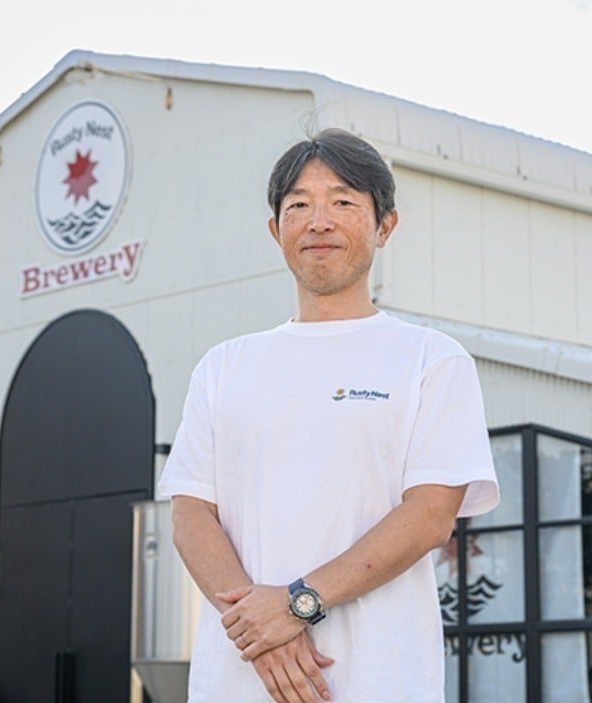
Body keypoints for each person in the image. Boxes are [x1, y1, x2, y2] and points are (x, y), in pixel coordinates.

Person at [157, 128, 500, 703]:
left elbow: (429, 517)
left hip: (381, 682)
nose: (319, 222)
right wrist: (262, 632)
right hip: (238, 683)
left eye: (342, 202)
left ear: (384, 226)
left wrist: (297, 604)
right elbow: (190, 514)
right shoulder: (223, 367)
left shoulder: (430, 360)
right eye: (298, 206)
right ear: (276, 231)